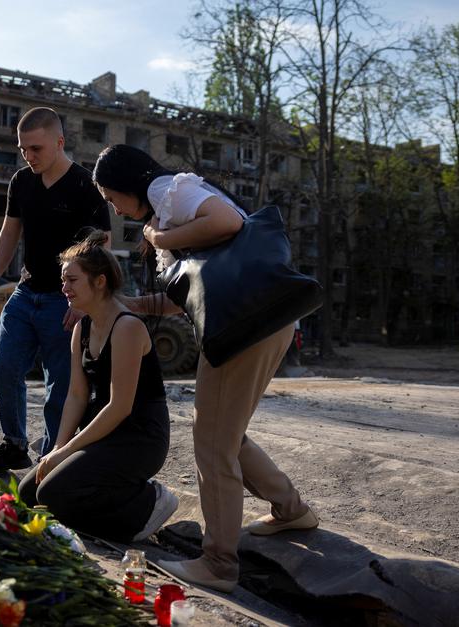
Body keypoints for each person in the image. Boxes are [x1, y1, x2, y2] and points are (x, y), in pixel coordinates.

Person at [92, 144, 318, 592]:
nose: (113, 207)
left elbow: (228, 223)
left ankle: (219, 563)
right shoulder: (167, 207)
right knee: (225, 432)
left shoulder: (167, 192)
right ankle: (291, 510)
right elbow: (189, 297)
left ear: (129, 183)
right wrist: (135, 304)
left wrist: (159, 240)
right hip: (264, 319)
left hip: (245, 328)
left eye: (111, 195)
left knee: (212, 439)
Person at [0, 107, 112, 475]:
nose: (28, 156)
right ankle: (15, 446)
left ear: (59, 142)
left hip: (65, 301)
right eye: (23, 149)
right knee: (4, 366)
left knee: (61, 383)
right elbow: (9, 233)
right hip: (26, 291)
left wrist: (86, 304)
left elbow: (101, 248)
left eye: (35, 148)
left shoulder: (85, 186)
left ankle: (52, 459)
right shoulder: (21, 182)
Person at [18, 231, 177, 542]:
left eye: (72, 280)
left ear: (100, 281)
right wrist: (56, 451)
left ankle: (146, 505)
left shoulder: (128, 326)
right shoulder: (82, 327)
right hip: (106, 429)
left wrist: (64, 454)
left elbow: (120, 407)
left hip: (138, 436)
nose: (63, 288)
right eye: (63, 280)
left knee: (53, 494)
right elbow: (77, 395)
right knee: (30, 493)